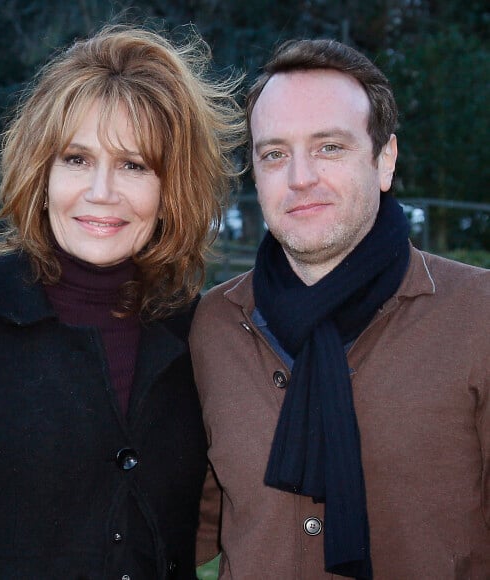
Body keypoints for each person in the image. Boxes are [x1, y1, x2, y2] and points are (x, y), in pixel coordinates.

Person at [0, 23, 243, 579]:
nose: (101, 192)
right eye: (76, 159)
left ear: (171, 190)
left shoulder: (200, 332)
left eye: (134, 165)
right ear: (41, 172)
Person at [191, 39, 490, 578]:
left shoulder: (479, 317)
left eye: (329, 147)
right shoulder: (211, 327)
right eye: (274, 154)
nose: (300, 177)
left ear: (385, 159)